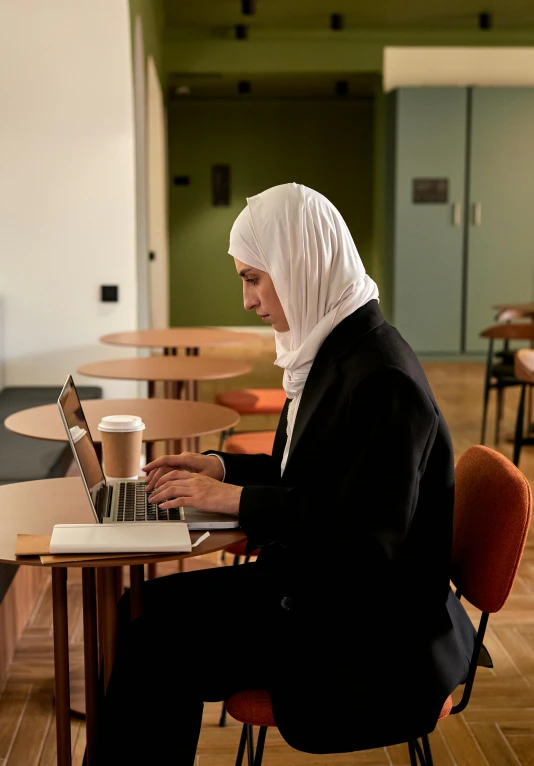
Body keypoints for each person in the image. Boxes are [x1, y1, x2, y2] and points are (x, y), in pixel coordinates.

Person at [94, 183, 475, 764]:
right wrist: (218, 468)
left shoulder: (382, 378)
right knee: (140, 609)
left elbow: (368, 540)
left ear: (300, 264)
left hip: (365, 631)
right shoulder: (334, 349)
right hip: (320, 588)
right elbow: (306, 473)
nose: (247, 301)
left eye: (253, 278)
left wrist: (234, 502)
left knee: (153, 642)